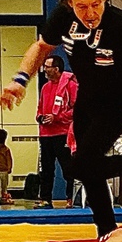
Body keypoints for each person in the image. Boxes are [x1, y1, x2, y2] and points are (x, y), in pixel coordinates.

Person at [0, 0, 122, 237]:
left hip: (118, 102)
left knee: (81, 165)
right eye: (82, 7)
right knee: (89, 169)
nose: (90, 13)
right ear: (69, 3)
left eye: (96, 4)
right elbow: (41, 47)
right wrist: (19, 80)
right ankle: (106, 230)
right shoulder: (63, 18)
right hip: (86, 100)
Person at [36, 55, 77, 208]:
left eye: (47, 67)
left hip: (63, 133)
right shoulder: (45, 87)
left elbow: (77, 110)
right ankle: (45, 199)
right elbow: (40, 108)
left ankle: (71, 198)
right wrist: (40, 117)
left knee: (68, 168)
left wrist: (57, 117)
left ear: (56, 69)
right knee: (46, 169)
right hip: (45, 134)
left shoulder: (71, 86)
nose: (44, 69)